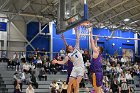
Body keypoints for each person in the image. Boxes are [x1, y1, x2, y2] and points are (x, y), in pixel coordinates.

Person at [52, 27, 85, 93]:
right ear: (68, 49)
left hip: (81, 67)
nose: (71, 46)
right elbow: (63, 62)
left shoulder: (76, 48)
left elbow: (77, 39)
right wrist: (56, 61)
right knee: (69, 83)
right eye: (69, 46)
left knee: (77, 83)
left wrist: (76, 31)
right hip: (74, 68)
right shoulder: (69, 55)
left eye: (71, 46)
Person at [89, 27, 104, 93]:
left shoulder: (96, 52)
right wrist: (96, 39)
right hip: (100, 72)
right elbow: (94, 43)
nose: (96, 47)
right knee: (99, 89)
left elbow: (92, 42)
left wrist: (90, 33)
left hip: (96, 73)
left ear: (99, 50)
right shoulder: (99, 54)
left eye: (97, 47)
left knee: (97, 89)